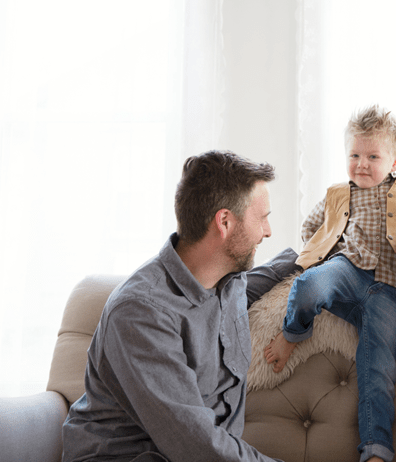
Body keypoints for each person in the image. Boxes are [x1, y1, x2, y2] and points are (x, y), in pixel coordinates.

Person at [62, 150, 283, 462]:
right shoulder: (140, 312)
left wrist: (323, 251)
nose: (268, 231)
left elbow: (267, 275)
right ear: (224, 222)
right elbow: (194, 443)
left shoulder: (229, 280)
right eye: (262, 218)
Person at [263, 105, 396, 462]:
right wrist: (326, 248)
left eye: (373, 156)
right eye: (355, 155)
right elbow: (310, 228)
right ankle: (293, 332)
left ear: (395, 162)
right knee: (309, 287)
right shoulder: (338, 192)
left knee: (377, 370)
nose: (361, 164)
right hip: (347, 270)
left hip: (389, 290)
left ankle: (376, 451)